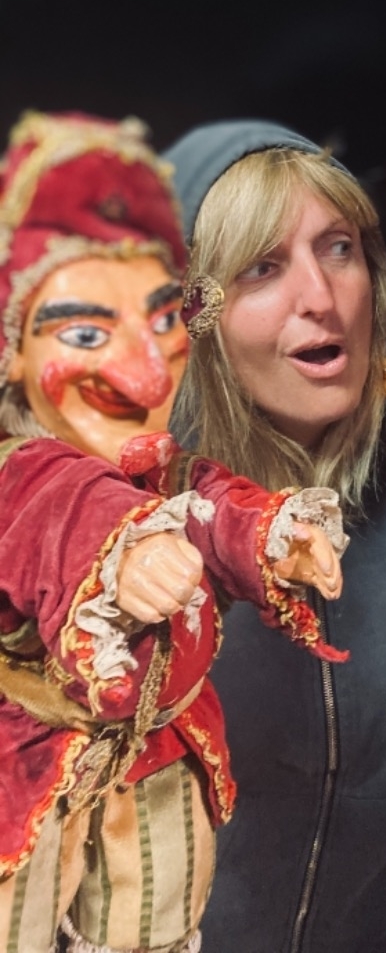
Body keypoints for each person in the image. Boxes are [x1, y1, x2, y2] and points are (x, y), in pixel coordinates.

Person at [0, 112, 347, 953]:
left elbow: (211, 504)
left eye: (162, 325)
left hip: (159, 755)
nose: (148, 375)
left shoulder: (163, 466)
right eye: (86, 334)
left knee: (152, 925)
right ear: (13, 351)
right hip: (28, 765)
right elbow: (60, 505)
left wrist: (272, 537)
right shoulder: (20, 473)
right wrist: (129, 554)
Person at [164, 120, 386, 953]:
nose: (319, 297)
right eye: (261, 267)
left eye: (339, 249)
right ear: (185, 315)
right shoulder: (116, 517)